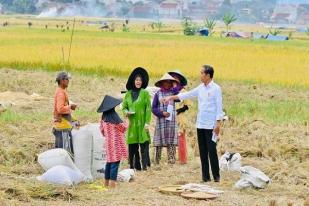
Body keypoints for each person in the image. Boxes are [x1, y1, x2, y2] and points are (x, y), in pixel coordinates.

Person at [162, 65, 224, 182]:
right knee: (203, 151)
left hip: (211, 125)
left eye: (202, 73)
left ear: (208, 75)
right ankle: (205, 177)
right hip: (200, 124)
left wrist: (218, 124)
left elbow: (219, 107)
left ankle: (216, 177)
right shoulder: (200, 88)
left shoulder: (216, 89)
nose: (200, 75)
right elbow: (186, 95)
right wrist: (171, 97)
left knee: (212, 150)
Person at [122, 67, 152, 171]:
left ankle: (144, 166)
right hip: (132, 123)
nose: (138, 82)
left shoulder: (145, 93)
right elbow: (124, 107)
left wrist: (147, 122)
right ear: (133, 81)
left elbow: (148, 109)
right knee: (132, 145)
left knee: (143, 144)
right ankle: (134, 166)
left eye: (140, 80)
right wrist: (126, 112)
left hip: (142, 123)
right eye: (136, 80)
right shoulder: (128, 94)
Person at [98, 95, 128, 188]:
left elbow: (102, 131)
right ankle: (112, 185)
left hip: (108, 143)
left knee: (109, 162)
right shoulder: (114, 117)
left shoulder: (104, 118)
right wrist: (128, 119)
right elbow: (123, 128)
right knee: (115, 163)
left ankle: (106, 183)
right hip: (116, 144)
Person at [152, 73, 181, 165]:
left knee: (171, 140)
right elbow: (153, 108)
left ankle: (171, 160)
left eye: (169, 82)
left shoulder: (173, 93)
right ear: (162, 83)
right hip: (161, 121)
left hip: (171, 122)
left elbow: (179, 97)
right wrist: (161, 113)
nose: (167, 84)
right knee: (159, 140)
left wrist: (175, 85)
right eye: (165, 82)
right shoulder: (158, 94)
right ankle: (157, 161)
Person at [52, 71, 79, 156]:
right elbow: (60, 109)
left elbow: (63, 108)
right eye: (67, 79)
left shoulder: (61, 91)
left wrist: (74, 121)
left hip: (62, 126)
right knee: (66, 154)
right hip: (63, 128)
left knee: (60, 153)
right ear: (62, 80)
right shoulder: (60, 93)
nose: (68, 81)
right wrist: (70, 106)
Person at [168, 70, 191, 164]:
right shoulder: (169, 92)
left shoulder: (183, 91)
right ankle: (171, 159)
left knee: (181, 139)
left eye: (176, 79)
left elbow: (188, 105)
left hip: (180, 119)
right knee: (171, 139)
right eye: (173, 79)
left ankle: (183, 160)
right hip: (170, 119)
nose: (174, 81)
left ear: (180, 80)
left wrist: (179, 110)